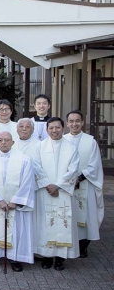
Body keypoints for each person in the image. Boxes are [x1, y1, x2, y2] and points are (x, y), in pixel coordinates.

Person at [0, 131, 36, 272]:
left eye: (7, 140)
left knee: (15, 230)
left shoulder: (24, 159)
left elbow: (28, 182)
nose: (3, 142)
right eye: (0, 140)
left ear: (13, 142)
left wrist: (15, 201)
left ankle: (14, 258)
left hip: (14, 205)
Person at [32, 117, 80, 270]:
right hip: (45, 191)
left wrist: (58, 186)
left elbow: (73, 170)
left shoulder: (71, 148)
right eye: (51, 128)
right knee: (45, 223)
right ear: (47, 130)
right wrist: (48, 184)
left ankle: (60, 258)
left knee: (62, 222)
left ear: (63, 128)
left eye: (57, 127)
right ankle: (46, 256)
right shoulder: (40, 146)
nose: (54, 130)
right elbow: (36, 166)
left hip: (63, 192)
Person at [65, 110, 104, 258]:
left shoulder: (90, 141)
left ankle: (83, 246)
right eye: (71, 121)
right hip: (67, 184)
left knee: (87, 216)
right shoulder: (63, 139)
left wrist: (79, 178)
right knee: (69, 214)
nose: (74, 124)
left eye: (77, 121)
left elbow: (94, 165)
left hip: (85, 183)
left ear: (82, 122)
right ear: (67, 123)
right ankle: (70, 243)